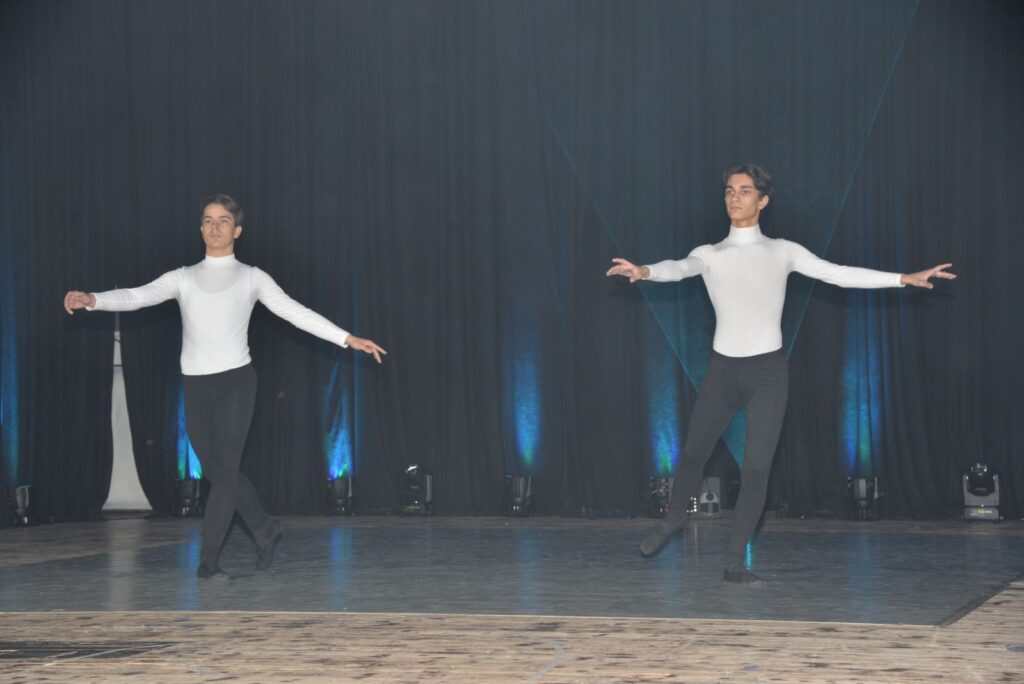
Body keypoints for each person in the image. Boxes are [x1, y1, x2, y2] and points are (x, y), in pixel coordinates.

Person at [606, 164, 954, 583]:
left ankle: (734, 562)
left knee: (756, 470)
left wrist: (902, 278)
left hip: (767, 374)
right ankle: (674, 519)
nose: (735, 197)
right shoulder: (710, 254)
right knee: (694, 452)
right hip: (723, 371)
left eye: (745, 190)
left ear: (763, 200)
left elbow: (839, 274)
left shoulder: (783, 251)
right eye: (729, 190)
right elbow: (678, 267)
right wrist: (645, 270)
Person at [64, 194, 386, 579]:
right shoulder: (182, 277)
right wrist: (93, 300)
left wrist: (346, 338)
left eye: (223, 220)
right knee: (218, 473)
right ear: (200, 229)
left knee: (226, 469)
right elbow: (137, 296)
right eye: (207, 220)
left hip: (236, 382)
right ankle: (265, 528)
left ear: (237, 230)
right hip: (195, 385)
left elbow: (295, 312)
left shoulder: (252, 277)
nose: (214, 226)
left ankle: (209, 561)